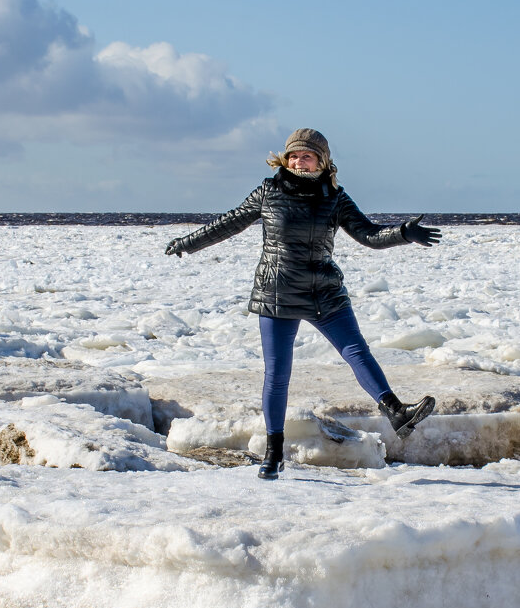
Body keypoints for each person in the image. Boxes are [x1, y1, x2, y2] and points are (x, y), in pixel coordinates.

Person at [165, 128, 441, 480]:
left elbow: (368, 235)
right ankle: (274, 452)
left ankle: (396, 412)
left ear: (322, 161)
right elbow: (230, 222)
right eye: (293, 155)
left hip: (323, 291)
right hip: (277, 293)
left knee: (357, 350)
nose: (298, 161)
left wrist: (402, 233)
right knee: (277, 375)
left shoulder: (335, 198)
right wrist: (187, 242)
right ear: (286, 158)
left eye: (306, 156)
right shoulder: (269, 192)